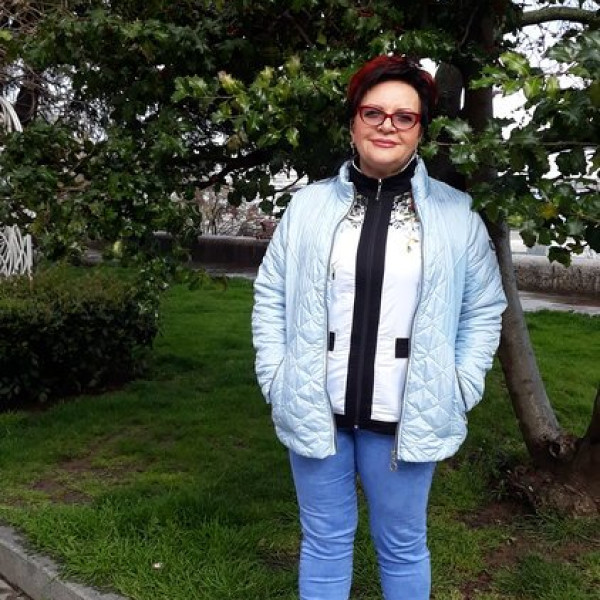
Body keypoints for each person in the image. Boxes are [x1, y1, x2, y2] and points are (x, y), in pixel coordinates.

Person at [252, 55, 507, 600]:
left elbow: (484, 308)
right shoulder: (308, 207)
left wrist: (459, 384)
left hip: (405, 417)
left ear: (420, 131)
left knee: (403, 545)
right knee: (324, 541)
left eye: (404, 116)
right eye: (374, 113)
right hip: (316, 409)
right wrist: (277, 376)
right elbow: (271, 294)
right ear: (353, 122)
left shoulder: (457, 215)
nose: (387, 126)